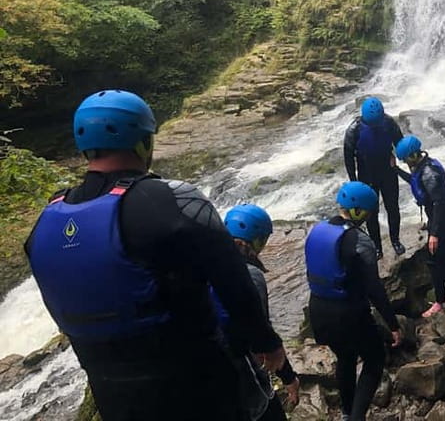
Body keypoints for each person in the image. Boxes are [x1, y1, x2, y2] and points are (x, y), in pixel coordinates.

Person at [25, 89, 286, 421]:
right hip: (197, 385)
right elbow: (233, 280)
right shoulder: (175, 201)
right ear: (143, 142)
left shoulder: (47, 220)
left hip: (112, 394)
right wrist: (267, 342)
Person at [305, 181, 402, 421]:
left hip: (318, 310)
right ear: (359, 211)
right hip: (348, 313)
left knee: (345, 357)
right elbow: (374, 289)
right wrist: (393, 325)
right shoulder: (360, 241)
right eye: (368, 212)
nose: (369, 216)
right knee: (375, 359)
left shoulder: (317, 230)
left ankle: (347, 413)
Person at [217, 204, 300, 421]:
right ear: (256, 241)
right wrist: (289, 377)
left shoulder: (207, 261)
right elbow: (261, 332)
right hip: (240, 365)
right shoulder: (250, 275)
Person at [394, 136, 445, 318]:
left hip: (442, 220)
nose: (406, 163)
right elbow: (414, 181)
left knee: (434, 261)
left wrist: (434, 234)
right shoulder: (424, 166)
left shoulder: (430, 173)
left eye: (406, 159)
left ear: (413, 155)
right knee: (443, 257)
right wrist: (396, 170)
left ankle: (440, 301)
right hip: (440, 218)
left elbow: (440, 202)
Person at [343, 97, 405, 257]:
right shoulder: (354, 130)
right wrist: (354, 181)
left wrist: (396, 155)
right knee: (370, 212)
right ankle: (377, 247)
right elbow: (348, 158)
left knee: (393, 208)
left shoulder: (389, 123)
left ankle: (395, 240)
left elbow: (401, 144)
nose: (375, 126)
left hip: (388, 171)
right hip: (366, 174)